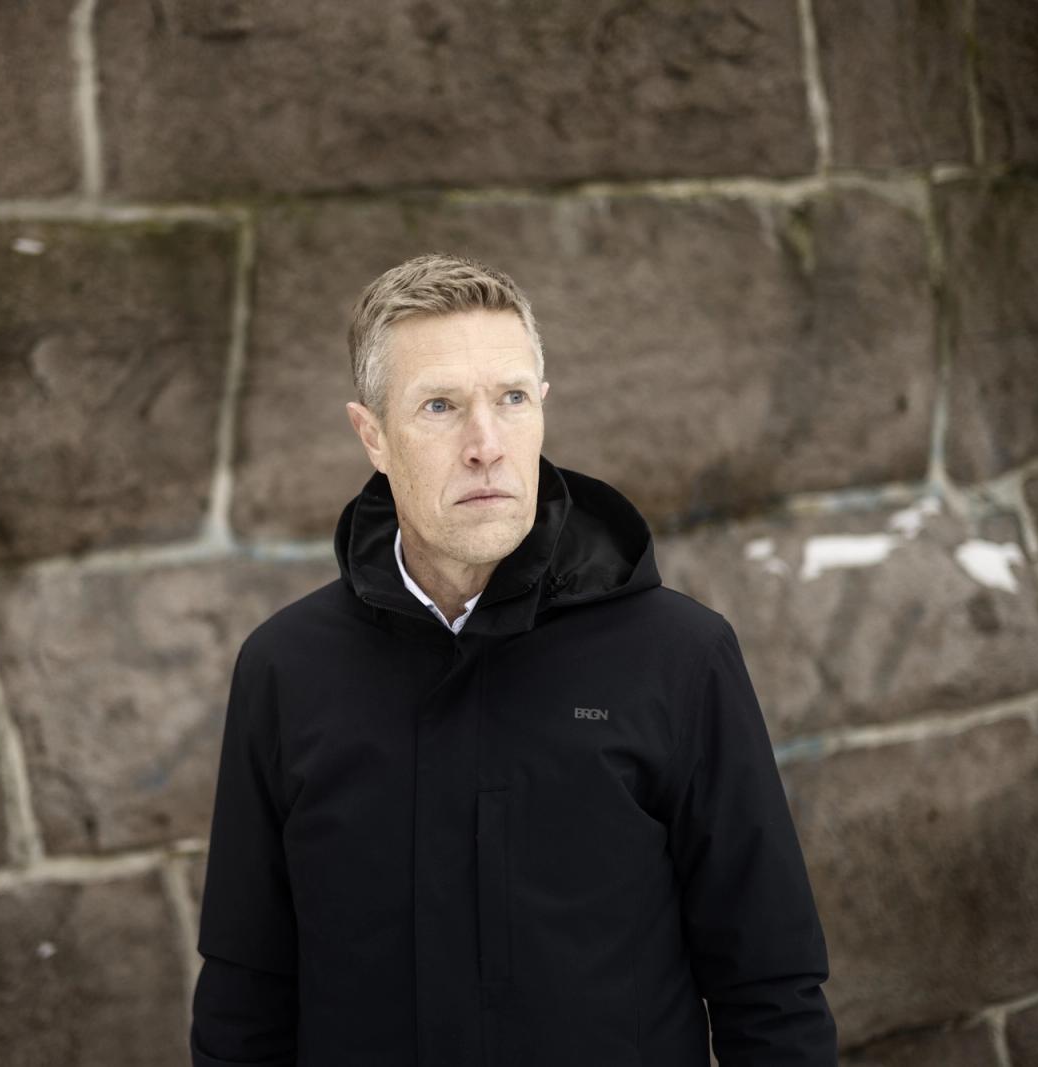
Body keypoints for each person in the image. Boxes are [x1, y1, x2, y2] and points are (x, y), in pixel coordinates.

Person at [190, 253, 838, 1066]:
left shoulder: (680, 657)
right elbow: (244, 999)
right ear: (372, 435)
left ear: (543, 410)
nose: (485, 445)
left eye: (511, 399)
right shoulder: (285, 670)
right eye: (440, 406)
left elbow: (771, 992)